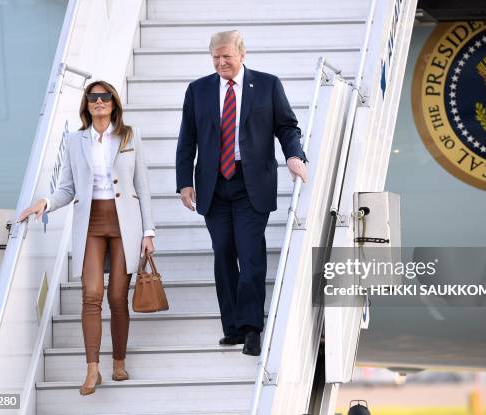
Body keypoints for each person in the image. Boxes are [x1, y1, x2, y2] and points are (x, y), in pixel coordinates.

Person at [176, 30, 308, 356]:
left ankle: (252, 328)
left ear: (242, 53)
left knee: (249, 254)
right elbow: (186, 139)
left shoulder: (267, 84)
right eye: (216, 57)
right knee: (223, 252)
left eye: (227, 56)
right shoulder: (198, 90)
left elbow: (287, 127)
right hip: (214, 185)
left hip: (252, 183)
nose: (221, 62)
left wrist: (293, 155)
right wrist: (184, 181)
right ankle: (232, 327)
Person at [19, 81, 155, 395]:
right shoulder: (74, 140)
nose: (99, 101)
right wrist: (46, 202)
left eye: (104, 96)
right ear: (86, 104)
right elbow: (67, 187)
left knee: (118, 297)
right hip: (90, 223)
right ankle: (92, 369)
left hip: (126, 225)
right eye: (93, 97)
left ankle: (118, 362)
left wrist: (149, 232)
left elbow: (142, 186)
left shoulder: (129, 136)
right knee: (91, 294)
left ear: (114, 102)